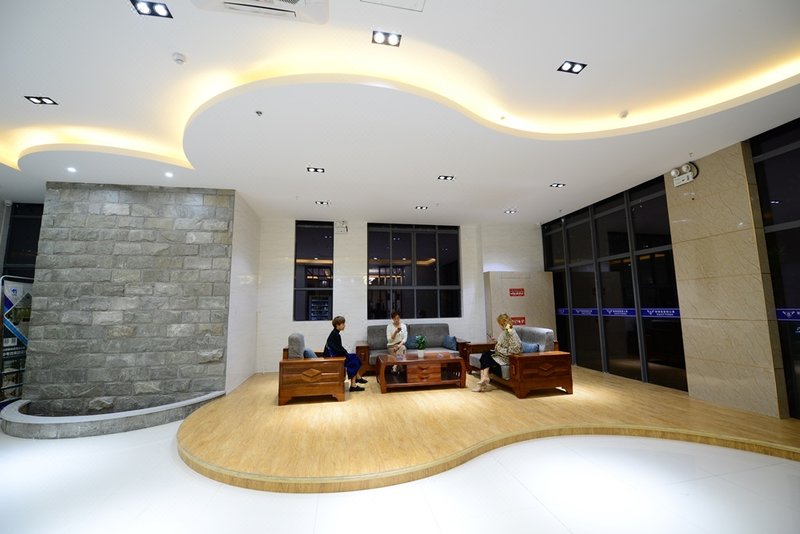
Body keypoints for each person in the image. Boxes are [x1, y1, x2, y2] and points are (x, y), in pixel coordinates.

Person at [473, 313, 522, 392]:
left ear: (501, 323)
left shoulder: (510, 332)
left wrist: (499, 348)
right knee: (485, 355)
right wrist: (497, 342)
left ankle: (483, 380)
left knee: (486, 356)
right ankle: (484, 378)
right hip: (501, 355)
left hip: (506, 358)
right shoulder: (506, 331)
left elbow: (516, 349)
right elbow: (505, 343)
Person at [325, 315, 367, 392]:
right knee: (354, 361)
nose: (344, 325)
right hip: (334, 358)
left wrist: (345, 352)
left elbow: (339, 348)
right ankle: (353, 385)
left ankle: (358, 377)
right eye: (343, 324)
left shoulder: (335, 333)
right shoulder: (335, 335)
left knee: (355, 357)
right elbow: (338, 349)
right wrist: (346, 353)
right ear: (337, 325)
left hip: (336, 355)